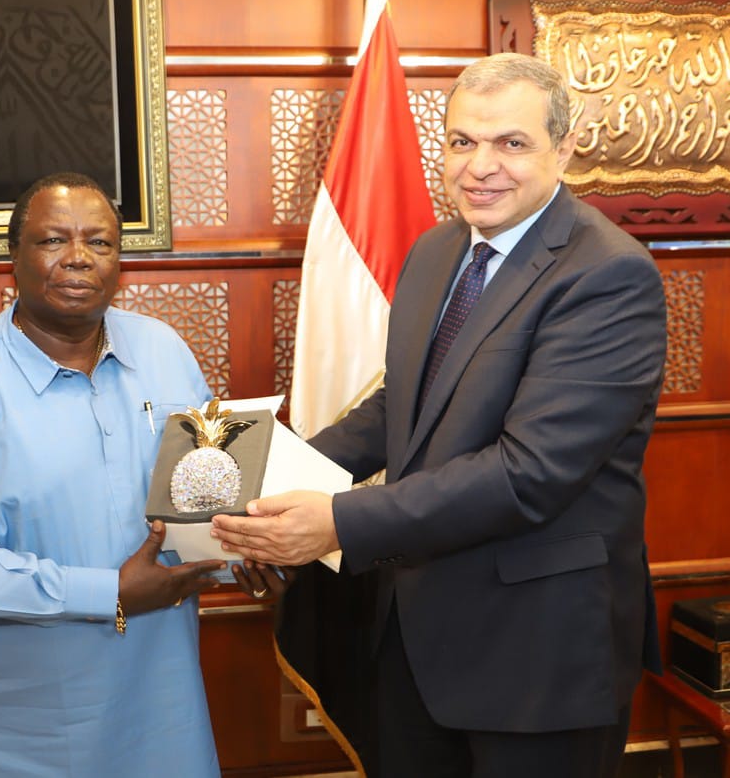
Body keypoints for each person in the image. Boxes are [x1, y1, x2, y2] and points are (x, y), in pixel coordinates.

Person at [212, 52, 668, 778]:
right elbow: (401, 405)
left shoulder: (608, 274)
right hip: (415, 632)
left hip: (538, 653)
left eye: (511, 143)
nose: (480, 167)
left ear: (565, 148)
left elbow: (529, 473)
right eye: (462, 141)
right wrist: (270, 478)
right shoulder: (435, 251)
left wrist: (338, 522)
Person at [0, 172, 284, 777]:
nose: (79, 257)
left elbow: (204, 497)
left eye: (100, 242)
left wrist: (249, 555)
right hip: (13, 733)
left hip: (160, 712)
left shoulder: (164, 351)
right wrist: (110, 593)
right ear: (13, 257)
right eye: (54, 240)